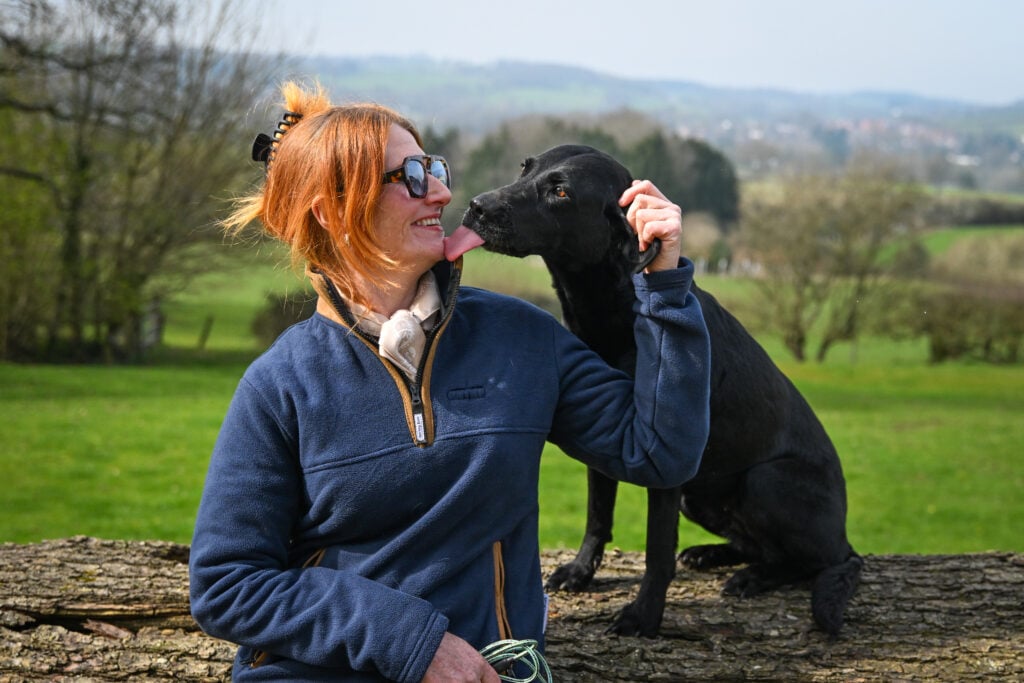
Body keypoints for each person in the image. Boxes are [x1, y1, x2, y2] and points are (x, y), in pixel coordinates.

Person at [188, 80, 711, 682]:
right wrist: (412, 642)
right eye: (411, 177)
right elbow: (227, 585)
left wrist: (664, 285)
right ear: (333, 210)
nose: (441, 191)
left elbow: (660, 452)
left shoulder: (523, 339)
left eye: (433, 167)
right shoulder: (280, 385)